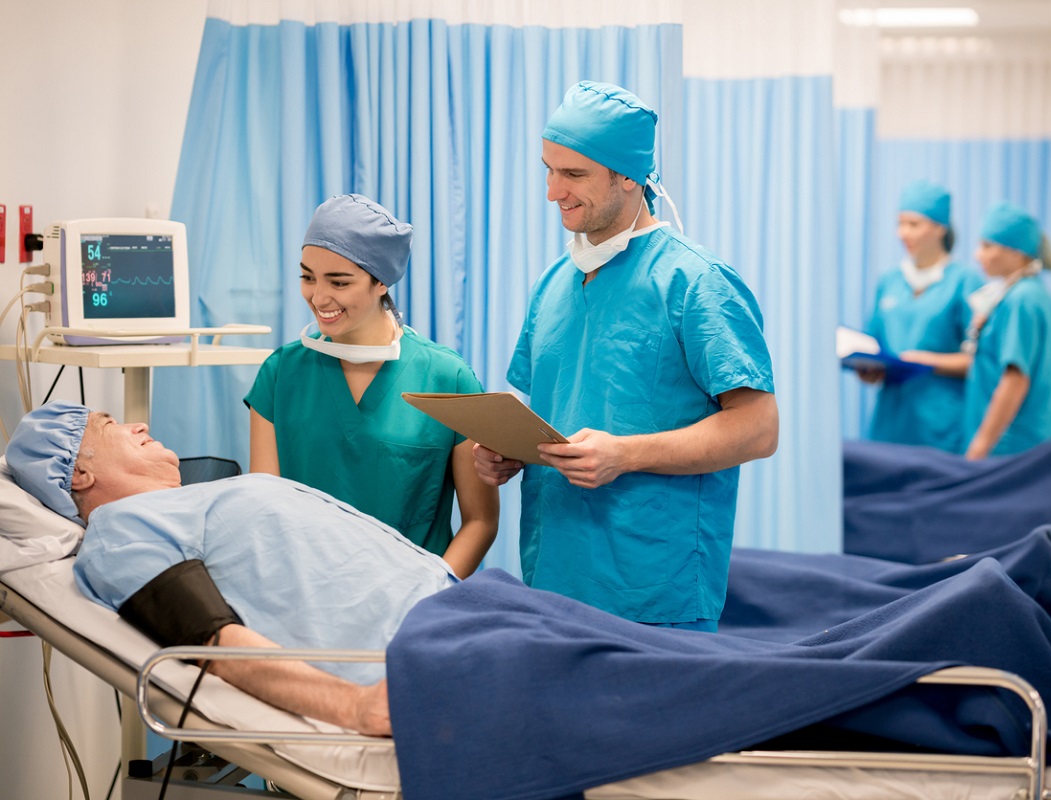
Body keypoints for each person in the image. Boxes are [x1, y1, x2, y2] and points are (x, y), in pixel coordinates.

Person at [473, 81, 778, 631]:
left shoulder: (696, 283)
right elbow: (556, 411)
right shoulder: (553, 284)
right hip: (553, 577)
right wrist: (508, 453)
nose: (552, 192)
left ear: (629, 176)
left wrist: (626, 454)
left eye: (573, 175)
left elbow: (758, 430)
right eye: (548, 169)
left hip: (653, 589)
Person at [5, 400, 462, 736]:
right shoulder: (122, 530)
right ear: (77, 474)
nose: (138, 424)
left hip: (461, 604)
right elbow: (215, 642)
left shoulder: (179, 503)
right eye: (109, 425)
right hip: (427, 651)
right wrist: (357, 707)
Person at [245, 194, 499, 577]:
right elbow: (265, 510)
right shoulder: (281, 374)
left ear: (382, 280)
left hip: (415, 605)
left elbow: (481, 521)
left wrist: (428, 594)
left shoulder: (448, 379)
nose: (318, 297)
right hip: (304, 595)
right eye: (307, 277)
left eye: (339, 282)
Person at [858, 180, 983, 453]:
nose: (903, 233)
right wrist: (869, 369)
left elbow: (981, 360)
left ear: (940, 228)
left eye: (913, 224)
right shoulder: (889, 281)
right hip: (891, 423)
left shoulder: (965, 281)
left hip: (941, 427)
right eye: (900, 223)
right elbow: (873, 345)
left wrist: (929, 361)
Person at [962, 202, 1051, 459]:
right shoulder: (1025, 295)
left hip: (1012, 446)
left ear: (1017, 251)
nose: (978, 255)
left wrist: (979, 447)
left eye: (987, 246)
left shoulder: (1022, 300)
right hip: (1019, 443)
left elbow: (1015, 380)